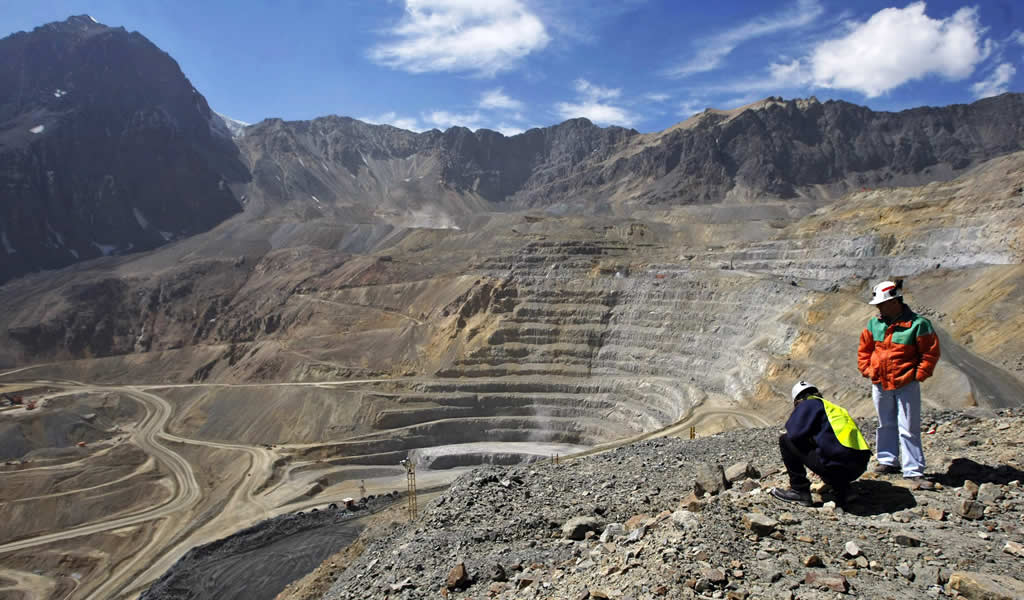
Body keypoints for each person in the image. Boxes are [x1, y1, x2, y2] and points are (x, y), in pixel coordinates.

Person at [858, 280, 940, 489]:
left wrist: (919, 375)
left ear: (894, 301)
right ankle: (887, 460)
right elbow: (864, 350)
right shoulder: (874, 324)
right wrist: (868, 370)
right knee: (885, 423)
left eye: (881, 304)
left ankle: (913, 470)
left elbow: (930, 352)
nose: (878, 308)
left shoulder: (918, 324)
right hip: (880, 382)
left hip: (905, 383)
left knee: (908, 427)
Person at [771, 381, 871, 506]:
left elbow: (794, 433)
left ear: (797, 400)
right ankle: (844, 491)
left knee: (785, 440)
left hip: (838, 467)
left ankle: (799, 490)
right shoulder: (832, 408)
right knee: (832, 453)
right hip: (859, 466)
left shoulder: (808, 404)